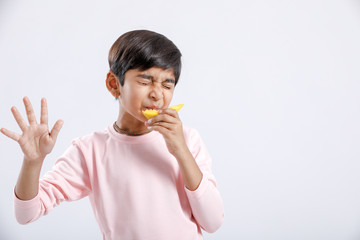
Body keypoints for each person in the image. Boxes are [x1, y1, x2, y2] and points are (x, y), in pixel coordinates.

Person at [0, 30, 224, 239]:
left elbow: (213, 222)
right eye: (146, 81)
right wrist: (33, 162)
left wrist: (181, 152)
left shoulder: (189, 139)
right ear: (114, 84)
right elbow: (26, 214)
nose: (157, 95)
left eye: (168, 84)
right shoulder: (90, 151)